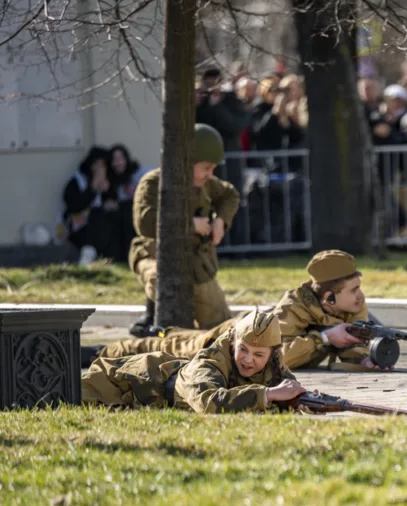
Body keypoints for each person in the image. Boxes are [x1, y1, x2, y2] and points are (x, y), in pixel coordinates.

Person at [84, 250, 377, 372]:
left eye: (358, 287)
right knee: (169, 347)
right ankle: (96, 352)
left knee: (172, 340)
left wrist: (365, 358)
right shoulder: (291, 310)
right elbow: (273, 357)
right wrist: (324, 340)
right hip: (230, 341)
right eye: (353, 290)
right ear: (328, 298)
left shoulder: (351, 304)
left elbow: (351, 347)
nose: (360, 296)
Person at [127, 123, 240, 336]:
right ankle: (152, 320)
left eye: (213, 169)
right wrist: (189, 224)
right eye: (206, 168)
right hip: (155, 254)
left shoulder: (207, 185)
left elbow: (230, 195)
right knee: (160, 281)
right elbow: (145, 222)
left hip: (197, 264)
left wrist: (220, 221)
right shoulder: (153, 183)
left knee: (221, 325)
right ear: (187, 162)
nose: (210, 174)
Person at [81, 310, 308, 414]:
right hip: (126, 381)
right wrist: (267, 395)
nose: (248, 360)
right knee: (56, 394)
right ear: (232, 343)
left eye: (259, 355)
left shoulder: (274, 363)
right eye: (243, 350)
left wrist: (302, 400)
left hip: (157, 382)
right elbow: (208, 402)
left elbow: (286, 388)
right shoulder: (209, 362)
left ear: (272, 354)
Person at [61, 146, 120, 265]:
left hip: (103, 229)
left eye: (102, 165)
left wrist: (107, 192)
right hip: (80, 227)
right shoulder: (78, 181)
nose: (98, 169)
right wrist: (92, 189)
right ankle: (88, 254)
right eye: (96, 165)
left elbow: (113, 202)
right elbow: (74, 205)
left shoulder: (109, 182)